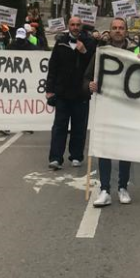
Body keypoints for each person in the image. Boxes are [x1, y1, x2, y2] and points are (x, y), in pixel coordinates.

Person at [86, 18, 134, 207]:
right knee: (104, 148)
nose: (117, 31)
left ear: (126, 31)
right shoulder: (101, 52)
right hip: (106, 106)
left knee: (124, 150)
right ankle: (105, 190)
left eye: (121, 28)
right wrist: (89, 85)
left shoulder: (135, 52)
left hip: (127, 108)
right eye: (114, 28)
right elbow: (86, 77)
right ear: (110, 31)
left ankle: (123, 187)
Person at [46, 17, 96, 170]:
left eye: (78, 25)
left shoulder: (90, 42)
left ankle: (76, 156)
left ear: (82, 26)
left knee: (79, 127)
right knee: (59, 127)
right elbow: (53, 67)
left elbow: (94, 64)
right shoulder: (61, 42)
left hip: (81, 93)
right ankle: (55, 158)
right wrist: (49, 89)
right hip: (62, 93)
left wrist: (84, 51)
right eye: (72, 25)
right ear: (68, 26)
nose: (75, 27)